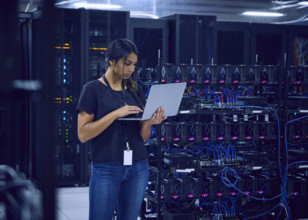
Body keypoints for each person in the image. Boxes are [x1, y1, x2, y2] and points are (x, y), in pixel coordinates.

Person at [77, 38, 166, 220]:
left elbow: (142, 137)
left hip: (138, 166)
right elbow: (83, 134)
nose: (131, 69)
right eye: (127, 63)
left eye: (134, 64)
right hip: (106, 167)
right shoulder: (92, 89)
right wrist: (116, 114)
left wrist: (150, 123)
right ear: (112, 60)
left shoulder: (135, 89)